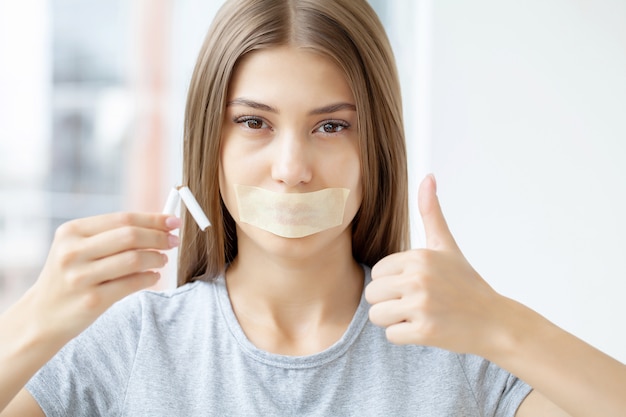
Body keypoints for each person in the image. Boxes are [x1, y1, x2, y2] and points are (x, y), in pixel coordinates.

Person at [1, 0, 625, 415]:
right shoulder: (133, 344)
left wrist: (500, 325)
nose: (292, 170)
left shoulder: (454, 351)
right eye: (253, 122)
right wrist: (35, 320)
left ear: (375, 146)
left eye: (331, 128)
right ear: (207, 146)